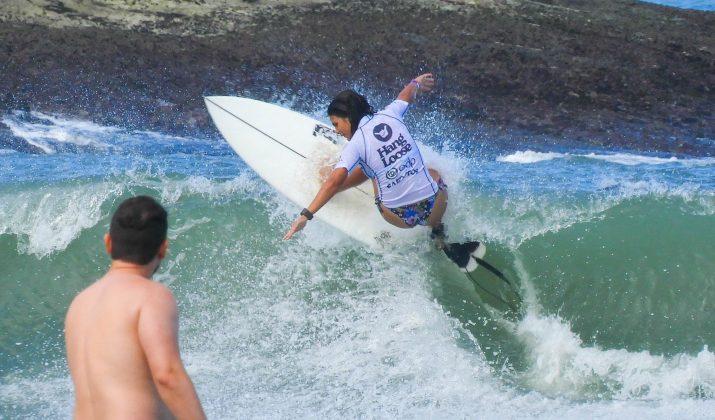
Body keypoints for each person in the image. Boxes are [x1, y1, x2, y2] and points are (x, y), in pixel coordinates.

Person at [65, 196, 206, 420]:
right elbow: (167, 375)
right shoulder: (150, 296)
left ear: (108, 243)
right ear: (163, 249)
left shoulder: (80, 303)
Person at [283, 73, 448, 246]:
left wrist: (306, 215)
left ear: (348, 118)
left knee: (367, 169)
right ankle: (437, 230)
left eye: (336, 124)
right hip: (436, 205)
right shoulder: (391, 113)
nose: (337, 131)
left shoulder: (354, 145)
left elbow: (333, 181)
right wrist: (417, 82)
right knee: (433, 173)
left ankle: (425, 227)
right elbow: (406, 95)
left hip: (401, 217)